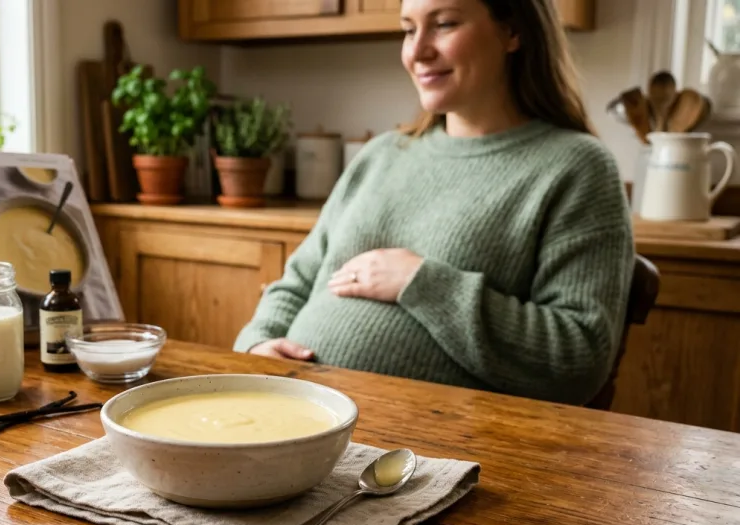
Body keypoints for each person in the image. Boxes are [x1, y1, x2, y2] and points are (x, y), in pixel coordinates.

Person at [233, 0, 635, 406]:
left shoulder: (575, 167)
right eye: (409, 30)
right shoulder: (382, 154)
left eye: (443, 25)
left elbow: (578, 357)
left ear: (513, 32)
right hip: (290, 413)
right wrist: (258, 343)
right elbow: (298, 280)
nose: (417, 51)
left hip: (424, 450)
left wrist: (421, 284)